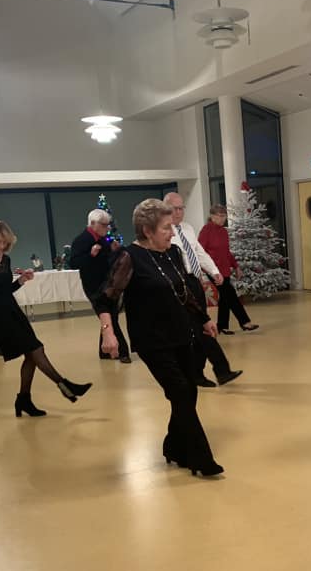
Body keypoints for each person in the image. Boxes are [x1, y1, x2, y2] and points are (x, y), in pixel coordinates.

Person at [97, 199, 224, 478]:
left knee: (189, 392)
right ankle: (201, 458)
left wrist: (203, 319)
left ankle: (173, 446)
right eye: (166, 227)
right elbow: (106, 298)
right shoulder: (129, 257)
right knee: (180, 391)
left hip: (180, 332)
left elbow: (184, 293)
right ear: (147, 230)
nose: (172, 232)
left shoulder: (173, 253)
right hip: (152, 340)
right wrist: (109, 333)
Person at [0, 219, 91, 417]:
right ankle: (64, 385)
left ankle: (24, 399)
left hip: (13, 311)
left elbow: (6, 290)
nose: (1, 247)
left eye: (4, 242)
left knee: (32, 354)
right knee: (36, 349)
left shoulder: (5, 260)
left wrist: (21, 281)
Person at [163, 192, 242, 387]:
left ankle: (198, 373)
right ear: (166, 209)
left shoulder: (188, 228)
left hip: (194, 282)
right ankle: (220, 369)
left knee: (200, 329)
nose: (179, 212)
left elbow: (199, 252)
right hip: (179, 285)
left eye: (181, 208)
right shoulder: (163, 231)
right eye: (175, 208)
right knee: (201, 327)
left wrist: (214, 271)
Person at [69, 208, 131, 364]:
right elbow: (73, 263)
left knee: (110, 316)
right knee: (110, 318)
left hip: (108, 284)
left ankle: (104, 352)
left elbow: (108, 259)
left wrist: (115, 249)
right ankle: (122, 352)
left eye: (108, 224)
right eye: (103, 225)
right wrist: (90, 255)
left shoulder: (104, 239)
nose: (107, 228)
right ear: (93, 224)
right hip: (93, 286)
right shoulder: (81, 240)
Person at [198, 204, 258, 335]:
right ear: (212, 216)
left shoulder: (224, 232)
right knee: (230, 294)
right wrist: (206, 270)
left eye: (224, 216)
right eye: (220, 216)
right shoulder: (206, 230)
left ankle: (222, 326)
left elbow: (227, 252)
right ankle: (245, 322)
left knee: (225, 297)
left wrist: (236, 266)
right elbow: (200, 252)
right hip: (213, 270)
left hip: (225, 269)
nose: (222, 218)